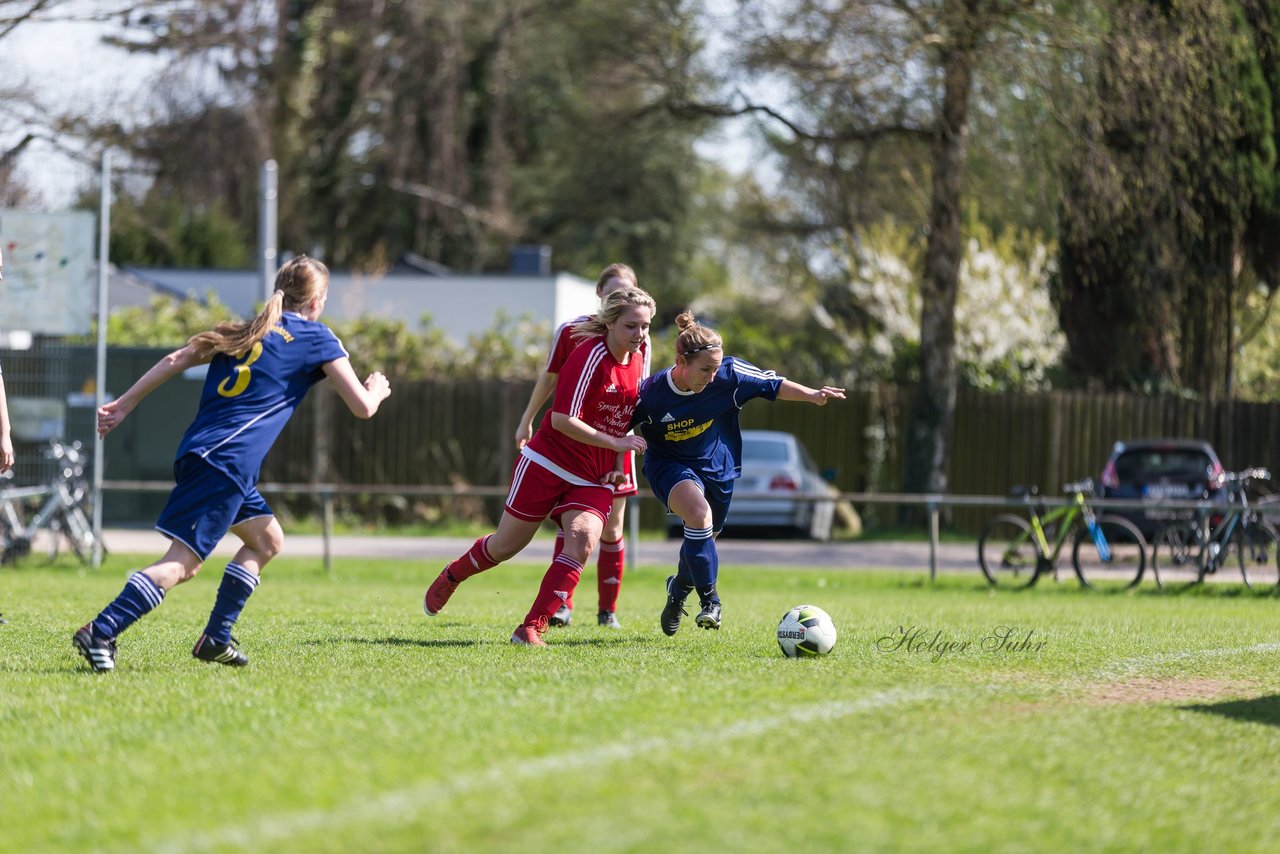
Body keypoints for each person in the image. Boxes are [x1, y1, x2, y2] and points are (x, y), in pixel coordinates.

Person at [72, 256, 391, 672]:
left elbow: (175, 360)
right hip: (225, 462)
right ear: (317, 300)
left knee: (267, 541)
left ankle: (216, 638)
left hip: (202, 453)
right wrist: (377, 389)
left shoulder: (244, 329)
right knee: (182, 564)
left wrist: (123, 404)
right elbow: (362, 408)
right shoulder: (317, 337)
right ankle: (103, 628)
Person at [424, 286, 654, 646]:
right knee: (504, 547)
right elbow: (562, 419)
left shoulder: (638, 359)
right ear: (610, 324)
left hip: (592, 475)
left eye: (645, 327)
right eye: (631, 326)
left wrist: (613, 462)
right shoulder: (588, 355)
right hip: (548, 463)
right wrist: (615, 444)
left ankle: (532, 627)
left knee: (582, 539)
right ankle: (453, 575)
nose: (639, 335)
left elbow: (621, 419)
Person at [630, 311, 845, 635]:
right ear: (680, 362)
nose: (713, 377)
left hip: (717, 466)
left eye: (716, 369)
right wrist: (615, 466)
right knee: (698, 515)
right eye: (705, 370)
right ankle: (711, 602)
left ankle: (678, 592)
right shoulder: (649, 395)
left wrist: (812, 395)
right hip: (668, 465)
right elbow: (616, 427)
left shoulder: (729, 375)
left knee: (702, 541)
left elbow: (772, 385)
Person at [513, 262, 649, 629]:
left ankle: (608, 611)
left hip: (616, 441)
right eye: (613, 291)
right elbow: (550, 379)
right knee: (572, 524)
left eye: (627, 289)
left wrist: (623, 449)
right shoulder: (572, 332)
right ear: (601, 295)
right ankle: (561, 606)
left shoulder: (640, 337)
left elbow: (638, 394)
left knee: (611, 527)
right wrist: (527, 418)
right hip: (574, 442)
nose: (619, 296)